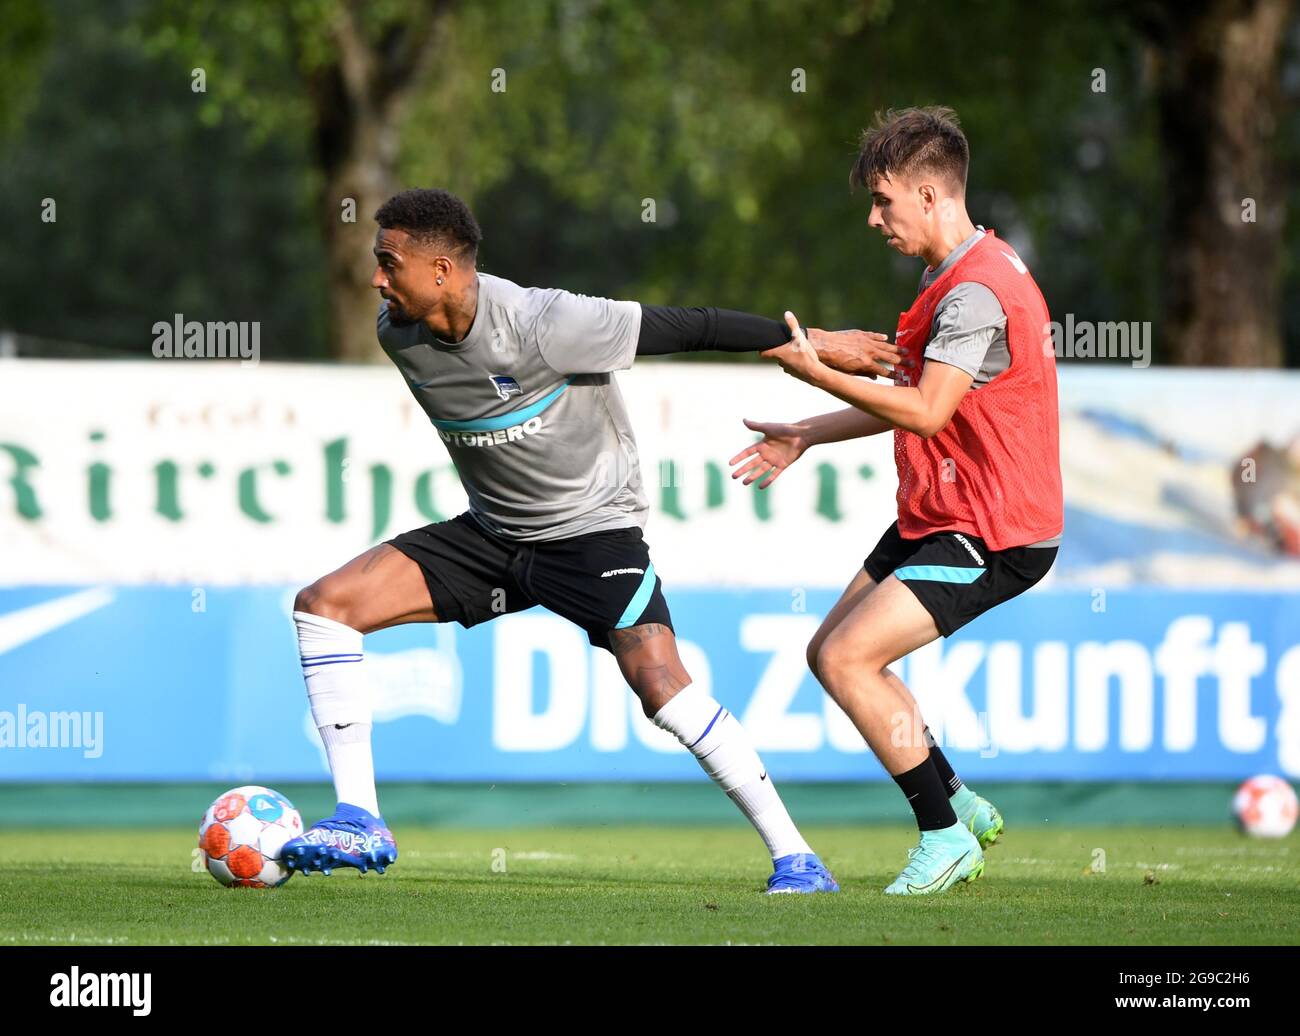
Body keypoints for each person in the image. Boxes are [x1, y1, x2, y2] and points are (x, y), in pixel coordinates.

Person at [282, 187, 896, 892]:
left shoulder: (550, 322)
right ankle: (360, 818)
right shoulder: (400, 333)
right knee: (323, 605)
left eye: (389, 262)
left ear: (445, 270)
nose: (376, 279)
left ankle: (798, 859)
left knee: (663, 690)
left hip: (594, 534)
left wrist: (813, 345)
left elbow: (694, 326)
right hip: (495, 535)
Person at [730, 107, 1063, 895]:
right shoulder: (952, 276)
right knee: (830, 652)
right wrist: (808, 431)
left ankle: (942, 835)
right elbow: (910, 397)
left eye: (884, 202)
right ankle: (956, 799)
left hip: (995, 530)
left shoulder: (975, 293)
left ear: (928, 192)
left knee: (852, 659)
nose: (876, 219)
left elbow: (924, 411)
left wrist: (817, 370)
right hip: (943, 513)